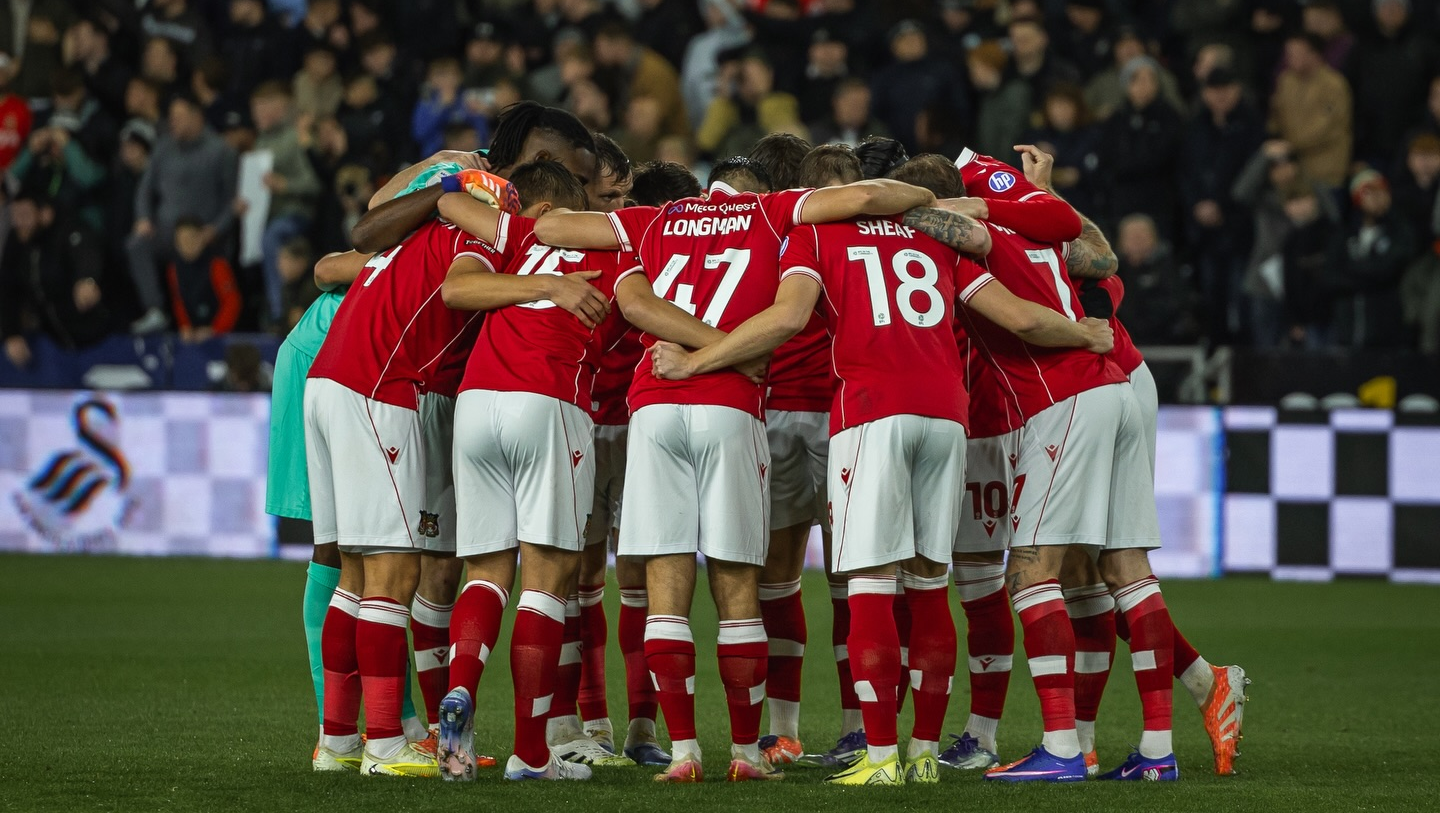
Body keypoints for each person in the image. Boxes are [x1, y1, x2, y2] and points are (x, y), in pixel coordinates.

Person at [645, 154, 1110, 786]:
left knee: (868, 582)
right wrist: (1084, 333)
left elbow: (784, 319)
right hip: (947, 415)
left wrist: (700, 364)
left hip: (870, 412)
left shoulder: (815, 233)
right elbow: (1020, 314)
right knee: (928, 584)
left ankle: (882, 757)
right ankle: (923, 755)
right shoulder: (932, 233)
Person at [533, 157, 939, 783]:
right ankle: (748, 754)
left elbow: (553, 229)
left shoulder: (655, 219)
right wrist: (921, 196)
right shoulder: (773, 213)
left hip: (654, 405)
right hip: (730, 406)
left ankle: (685, 753)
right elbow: (864, 198)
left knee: (665, 589)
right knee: (737, 586)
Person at [304, 203, 504, 778]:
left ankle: (337, 741)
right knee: (394, 576)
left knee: (354, 576)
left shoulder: (412, 240)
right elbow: (459, 292)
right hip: (377, 389)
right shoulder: (475, 238)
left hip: (330, 383)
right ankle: (385, 743)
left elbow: (337, 261)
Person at [128, 94, 238, 335]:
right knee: (138, 244)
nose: (172, 123)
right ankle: (155, 310)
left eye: (178, 117)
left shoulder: (221, 150)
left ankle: (211, 325)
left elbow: (234, 200)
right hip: (168, 232)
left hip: (203, 234)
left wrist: (216, 229)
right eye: (171, 118)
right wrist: (144, 218)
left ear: (196, 116)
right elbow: (144, 189)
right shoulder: (163, 147)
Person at [1, 189, 111, 369]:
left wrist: (88, 279)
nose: (18, 222)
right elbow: (8, 287)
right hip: (55, 346)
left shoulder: (69, 229)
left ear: (45, 214)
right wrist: (11, 333)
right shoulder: (17, 242)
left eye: (24, 215)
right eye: (15, 216)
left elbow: (86, 252)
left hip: (103, 340)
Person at [252, 81, 322, 325]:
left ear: (279, 108)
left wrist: (285, 185)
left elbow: (313, 184)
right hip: (268, 215)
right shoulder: (260, 142)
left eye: (262, 108)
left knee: (271, 237)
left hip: (296, 215)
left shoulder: (294, 139)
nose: (257, 114)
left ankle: (277, 310)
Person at [1334, 169, 1417, 349]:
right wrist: (1368, 277)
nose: (1376, 198)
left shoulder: (1399, 229)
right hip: (1349, 326)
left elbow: (1390, 268)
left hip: (1388, 329)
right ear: (1357, 199)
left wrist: (1354, 272)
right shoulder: (1345, 234)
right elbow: (1331, 274)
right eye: (1369, 193)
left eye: (1381, 191)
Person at [1268, 32, 1351, 188]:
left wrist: (1290, 145)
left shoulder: (1333, 85)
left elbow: (1328, 126)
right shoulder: (1286, 81)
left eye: (1296, 53)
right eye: (1288, 53)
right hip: (1292, 172)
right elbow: (1276, 116)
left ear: (1314, 54)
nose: (1289, 58)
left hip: (1325, 172)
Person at [165, 217, 241, 342]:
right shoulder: (173, 269)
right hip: (193, 335)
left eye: (192, 238)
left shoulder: (217, 265)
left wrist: (215, 330)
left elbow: (232, 301)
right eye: (182, 240)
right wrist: (185, 326)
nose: (187, 244)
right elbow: (178, 301)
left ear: (202, 237)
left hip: (223, 336)